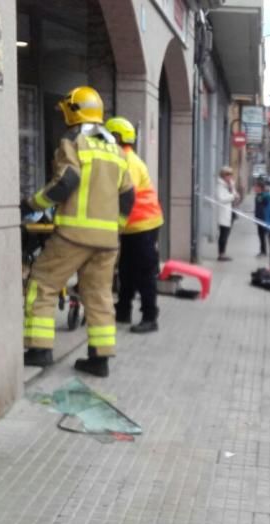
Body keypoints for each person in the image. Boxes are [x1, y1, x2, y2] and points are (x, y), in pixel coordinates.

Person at [23, 86, 135, 377]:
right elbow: (128, 196)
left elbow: (66, 181)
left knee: (43, 283)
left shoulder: (73, 141)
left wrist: (32, 203)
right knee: (98, 296)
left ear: (73, 111)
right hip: (107, 241)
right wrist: (115, 230)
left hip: (74, 234)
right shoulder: (115, 149)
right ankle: (100, 359)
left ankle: (39, 349)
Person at [106, 116, 164, 334]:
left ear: (116, 137)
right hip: (135, 226)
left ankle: (150, 316)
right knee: (127, 269)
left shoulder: (127, 162)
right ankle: (123, 310)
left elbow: (124, 195)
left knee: (144, 272)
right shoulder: (124, 158)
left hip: (144, 225)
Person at [216, 166, 239, 261]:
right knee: (223, 234)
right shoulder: (220, 186)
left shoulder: (230, 185)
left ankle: (223, 252)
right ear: (223, 175)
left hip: (230, 211)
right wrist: (232, 196)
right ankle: (221, 254)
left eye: (230, 174)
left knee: (227, 233)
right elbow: (221, 199)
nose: (229, 177)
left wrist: (234, 192)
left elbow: (234, 194)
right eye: (227, 174)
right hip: (223, 213)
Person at [253, 179, 270, 257]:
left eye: (256, 187)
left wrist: (268, 219)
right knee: (261, 235)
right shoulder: (258, 196)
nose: (254, 188)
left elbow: (269, 209)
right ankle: (263, 251)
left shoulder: (266, 196)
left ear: (260, 187)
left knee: (267, 235)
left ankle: (267, 251)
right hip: (259, 219)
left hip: (264, 219)